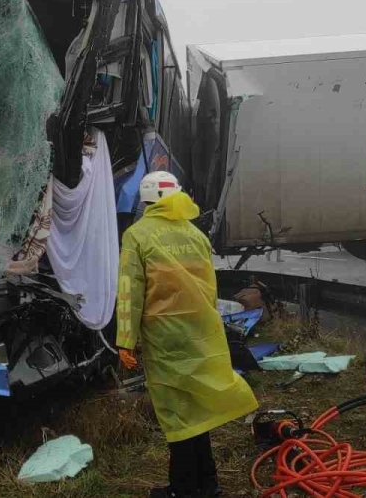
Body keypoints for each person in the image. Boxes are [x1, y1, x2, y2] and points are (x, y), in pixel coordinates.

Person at [116, 171, 259, 498]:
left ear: (147, 200)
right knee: (197, 407)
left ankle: (182, 488)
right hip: (202, 331)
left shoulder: (137, 235)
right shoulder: (195, 234)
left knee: (177, 412)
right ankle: (207, 483)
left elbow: (129, 293)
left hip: (165, 336)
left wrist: (125, 340)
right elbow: (210, 288)